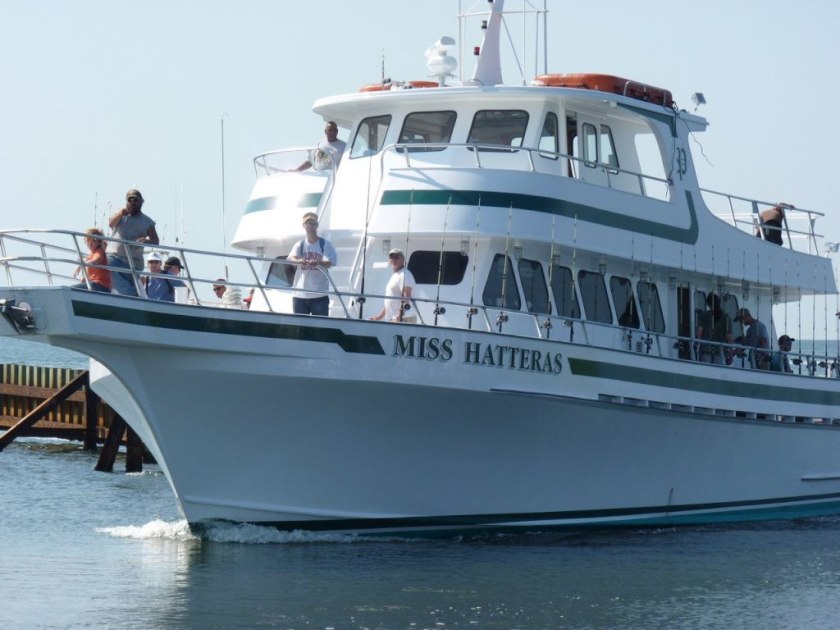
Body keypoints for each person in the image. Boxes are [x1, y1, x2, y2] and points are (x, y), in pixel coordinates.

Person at [106, 189, 159, 296]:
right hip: (115, 259)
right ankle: (131, 299)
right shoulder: (120, 215)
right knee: (128, 292)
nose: (132, 203)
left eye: (135, 200)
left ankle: (133, 301)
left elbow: (155, 241)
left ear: (141, 202)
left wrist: (147, 241)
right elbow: (111, 223)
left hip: (134, 263)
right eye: (130, 200)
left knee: (132, 292)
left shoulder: (147, 222)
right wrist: (120, 214)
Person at [287, 212, 337, 315]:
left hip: (319, 295)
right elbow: (291, 259)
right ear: (304, 226)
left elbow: (331, 262)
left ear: (317, 225)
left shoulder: (325, 244)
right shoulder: (299, 244)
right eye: (308, 223)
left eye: (313, 223)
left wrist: (318, 262)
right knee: (301, 329)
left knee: (320, 328)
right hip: (299, 295)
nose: (310, 225)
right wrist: (300, 261)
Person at [369, 248, 416, 323]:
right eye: (391, 257)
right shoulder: (395, 275)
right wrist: (379, 317)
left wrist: (400, 314)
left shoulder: (405, 274)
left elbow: (407, 296)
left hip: (404, 319)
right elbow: (389, 301)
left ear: (402, 260)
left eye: (396, 257)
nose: (393, 260)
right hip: (393, 319)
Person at [72, 228, 112, 292]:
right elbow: (89, 274)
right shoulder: (91, 254)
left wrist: (82, 264)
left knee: (71, 289)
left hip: (100, 285)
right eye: (88, 240)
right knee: (75, 288)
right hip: (95, 284)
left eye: (94, 240)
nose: (90, 243)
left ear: (99, 242)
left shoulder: (99, 251)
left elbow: (97, 259)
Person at [695, 293, 731, 364]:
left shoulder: (702, 315)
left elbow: (699, 332)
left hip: (705, 349)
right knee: (718, 372)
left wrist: (697, 345)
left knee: (705, 371)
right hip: (719, 350)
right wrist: (731, 354)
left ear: (708, 303)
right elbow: (729, 337)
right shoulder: (726, 318)